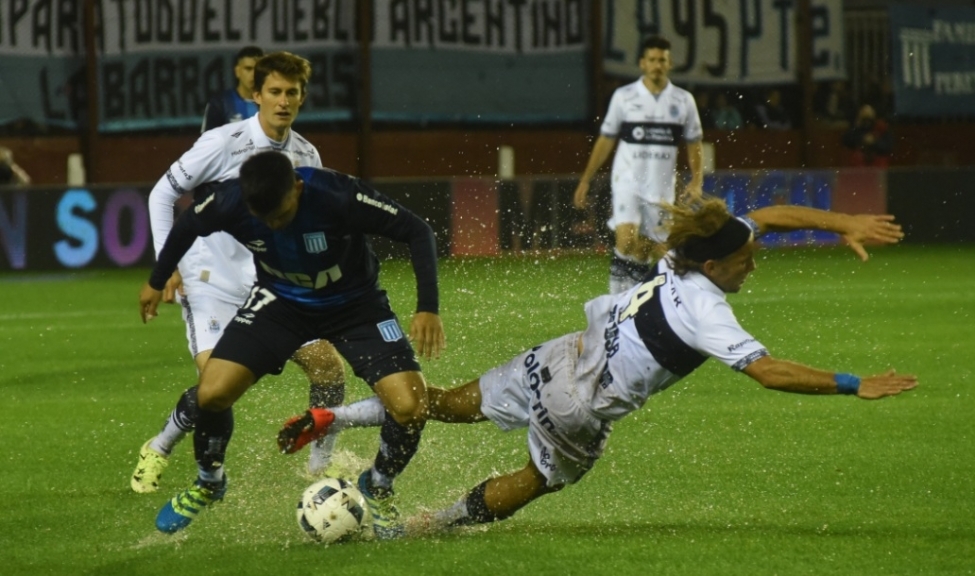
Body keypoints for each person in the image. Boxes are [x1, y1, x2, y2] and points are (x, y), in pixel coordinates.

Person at [281, 200, 917, 536]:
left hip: (561, 356)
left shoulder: (679, 258)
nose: (754, 263)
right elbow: (768, 371)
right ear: (714, 267)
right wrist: (854, 383)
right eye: (746, 261)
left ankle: (334, 415)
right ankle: (426, 527)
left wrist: (842, 224)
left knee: (442, 403)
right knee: (538, 480)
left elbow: (770, 217)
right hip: (579, 407)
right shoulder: (707, 311)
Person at [139, 150, 446, 539]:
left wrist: (427, 307)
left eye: (281, 215)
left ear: (298, 188)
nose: (273, 224)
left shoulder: (339, 196)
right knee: (212, 392)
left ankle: (378, 486)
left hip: (357, 307)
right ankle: (209, 482)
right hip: (280, 305)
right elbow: (187, 225)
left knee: (410, 407)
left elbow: (417, 230)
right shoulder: (231, 200)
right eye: (264, 218)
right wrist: (157, 279)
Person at [132, 52, 348, 496]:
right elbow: (162, 194)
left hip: (275, 286)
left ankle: (320, 466)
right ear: (256, 95)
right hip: (210, 281)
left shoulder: (307, 154)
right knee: (216, 389)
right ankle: (161, 447)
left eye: (291, 93)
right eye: (274, 92)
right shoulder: (221, 142)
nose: (283, 101)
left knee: (328, 368)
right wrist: (166, 267)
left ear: (302, 98)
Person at [573, 36, 704, 295]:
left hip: (661, 187)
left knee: (644, 249)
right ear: (642, 63)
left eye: (662, 60)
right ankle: (616, 302)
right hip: (627, 180)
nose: (657, 65)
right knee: (626, 239)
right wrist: (586, 179)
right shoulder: (625, 97)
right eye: (652, 60)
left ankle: (633, 301)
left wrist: (697, 180)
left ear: (670, 64)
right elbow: (606, 139)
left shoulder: (683, 100)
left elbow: (694, 142)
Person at [201, 46, 264, 133]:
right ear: (237, 71)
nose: (253, 74)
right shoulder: (220, 104)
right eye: (248, 69)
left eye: (257, 69)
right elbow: (208, 139)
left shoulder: (272, 102)